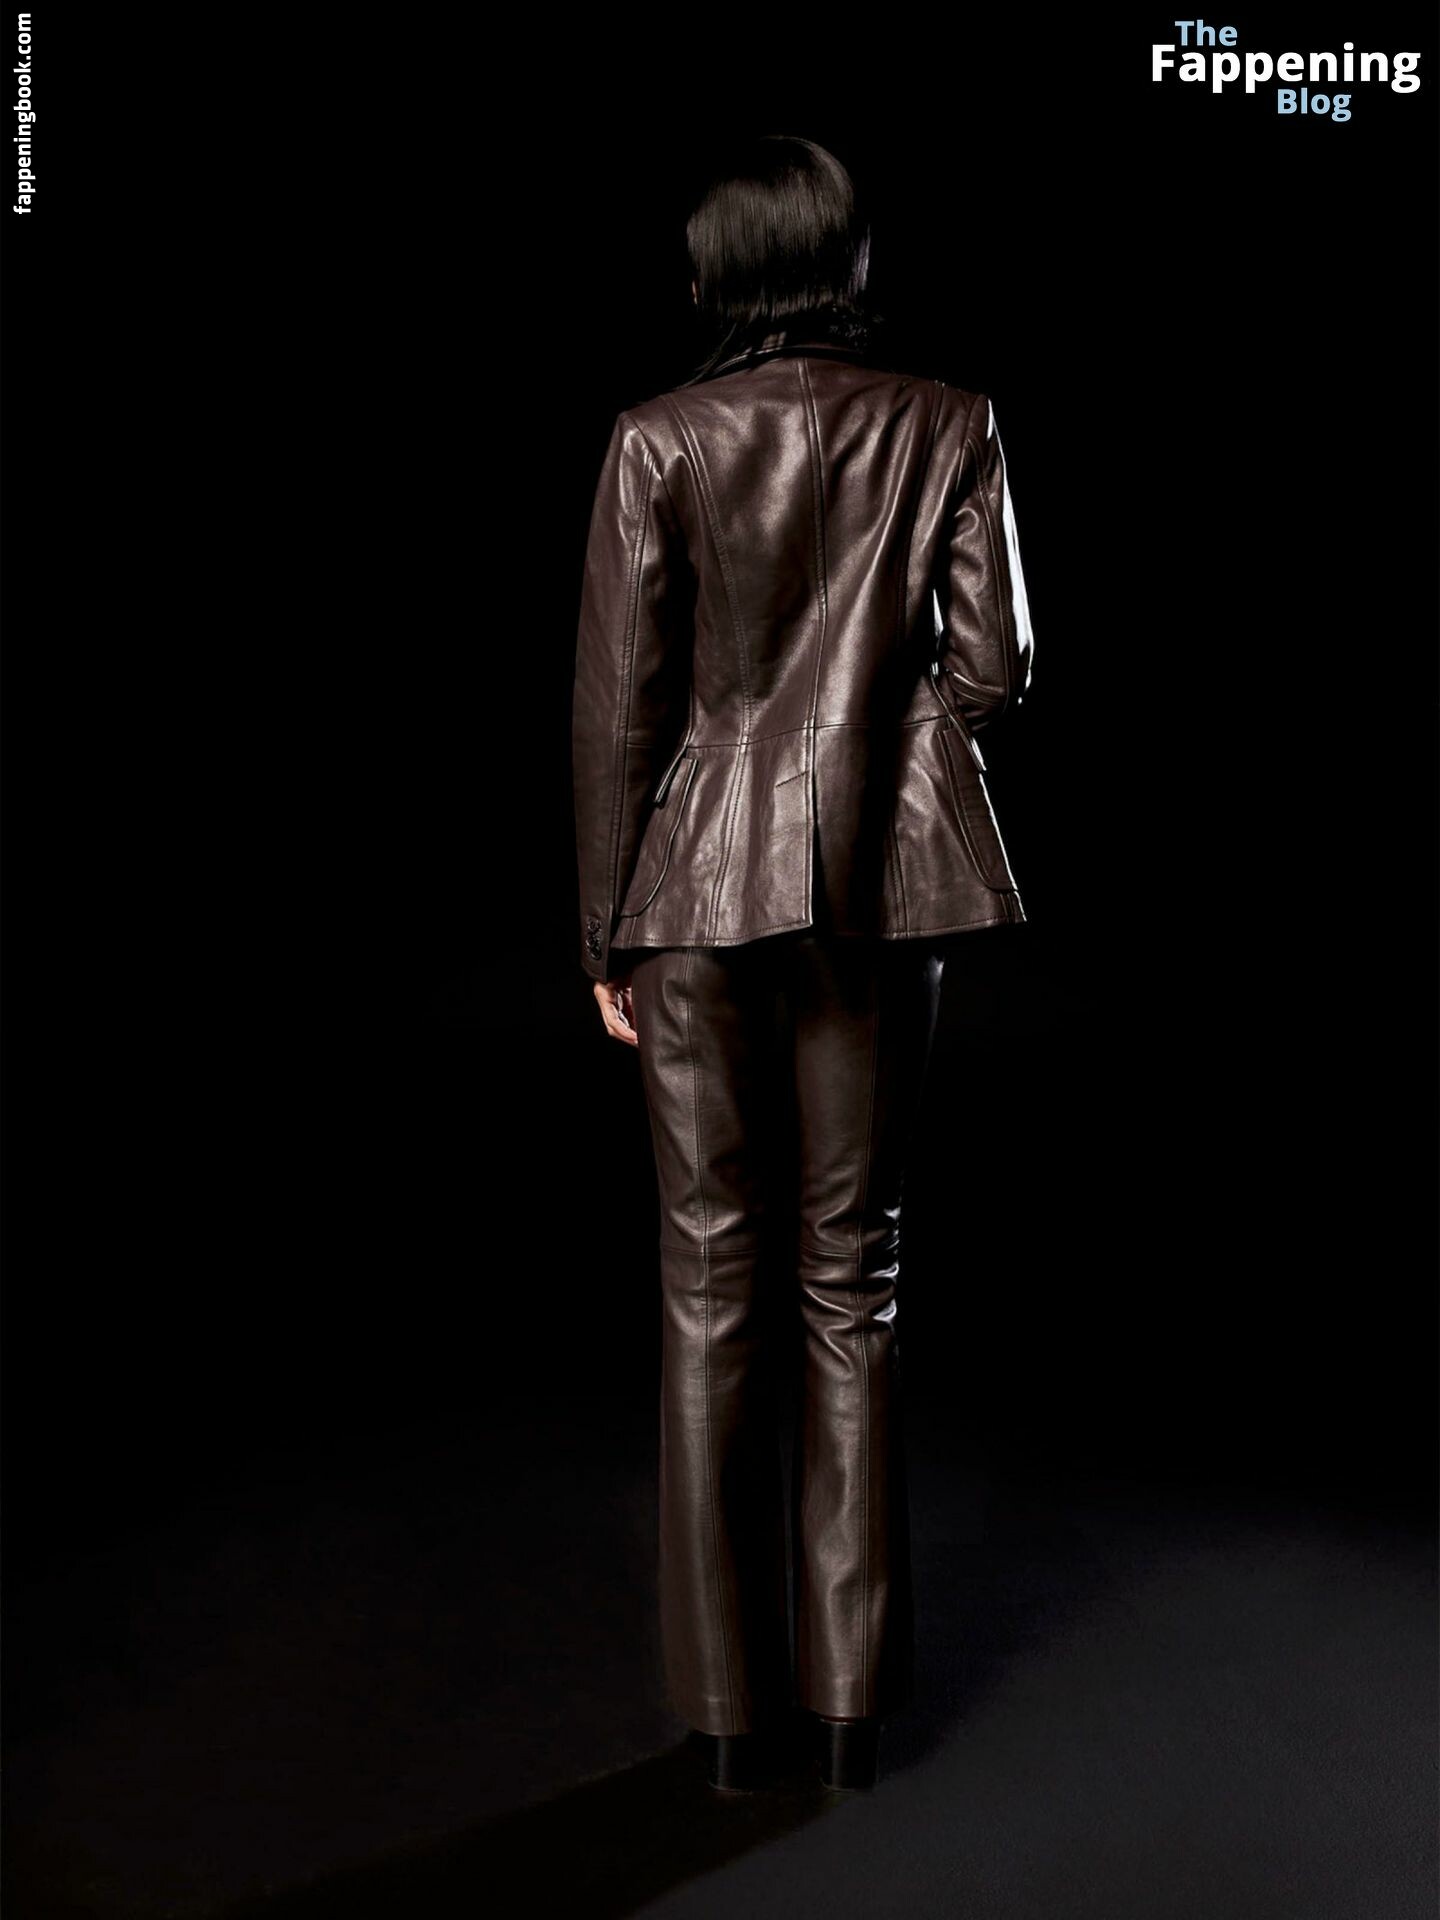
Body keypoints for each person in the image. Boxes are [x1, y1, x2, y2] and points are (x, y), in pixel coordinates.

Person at [571, 134, 1035, 1793]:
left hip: (693, 889)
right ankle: (849, 1716)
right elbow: (999, 669)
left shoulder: (656, 440)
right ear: (842, 260)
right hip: (882, 895)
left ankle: (723, 1727)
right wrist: (886, 766)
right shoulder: (951, 421)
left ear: (716, 270)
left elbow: (619, 713)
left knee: (712, 1292)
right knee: (858, 1280)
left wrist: (606, 932)